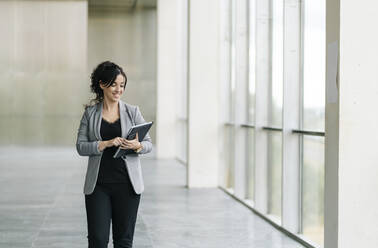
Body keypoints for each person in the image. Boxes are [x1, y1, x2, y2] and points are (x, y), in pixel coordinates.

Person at [76, 61, 152, 248]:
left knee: (124, 242)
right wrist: (105, 144)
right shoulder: (90, 114)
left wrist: (137, 146)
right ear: (102, 84)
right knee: (98, 240)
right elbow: (80, 146)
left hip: (127, 186)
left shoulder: (133, 112)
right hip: (98, 186)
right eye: (114, 84)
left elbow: (149, 145)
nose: (119, 89)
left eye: (122, 85)